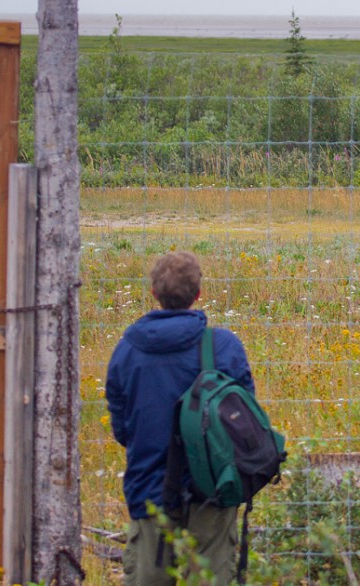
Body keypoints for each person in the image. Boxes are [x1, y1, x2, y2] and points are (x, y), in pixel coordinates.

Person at [106, 251, 255, 585]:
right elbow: (246, 423)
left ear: (154, 293)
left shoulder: (127, 350)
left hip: (150, 490)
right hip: (214, 490)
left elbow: (122, 430)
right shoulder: (224, 347)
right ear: (198, 294)